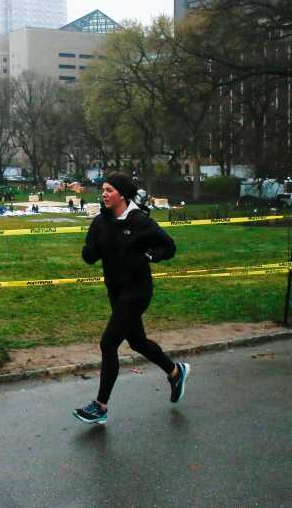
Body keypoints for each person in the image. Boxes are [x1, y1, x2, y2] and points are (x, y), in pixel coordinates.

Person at [73, 172, 189, 425]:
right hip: (115, 290)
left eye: (109, 190)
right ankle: (175, 371)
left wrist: (149, 256)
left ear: (122, 194)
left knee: (108, 343)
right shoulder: (100, 222)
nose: (104, 194)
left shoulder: (139, 221)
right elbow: (89, 256)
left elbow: (168, 246)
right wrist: (89, 247)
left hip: (137, 291)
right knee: (137, 342)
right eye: (102, 190)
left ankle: (100, 406)